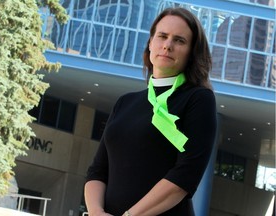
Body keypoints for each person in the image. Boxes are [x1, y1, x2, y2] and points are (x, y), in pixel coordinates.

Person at [84, 7, 217, 216]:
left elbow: (186, 175)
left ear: (192, 52)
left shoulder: (199, 99)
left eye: (179, 40)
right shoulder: (125, 102)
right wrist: (95, 211)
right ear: (150, 43)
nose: (168, 45)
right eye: (162, 36)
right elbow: (97, 171)